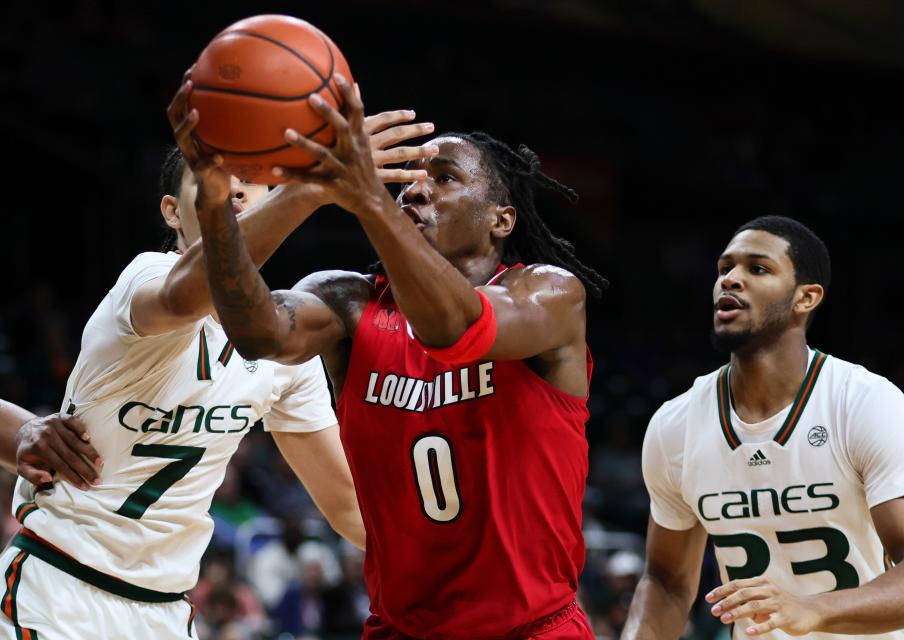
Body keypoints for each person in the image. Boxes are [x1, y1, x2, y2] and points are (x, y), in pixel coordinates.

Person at [0, 74, 436, 640]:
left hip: (165, 611)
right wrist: (311, 186)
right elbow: (195, 285)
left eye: (251, 179)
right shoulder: (146, 281)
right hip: (61, 587)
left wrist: (459, 563)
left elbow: (352, 508)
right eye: (209, 180)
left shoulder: (286, 347)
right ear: (173, 213)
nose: (232, 187)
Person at [197, 74, 609, 638]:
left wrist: (367, 198)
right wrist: (224, 208)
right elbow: (255, 333)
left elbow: (454, 329)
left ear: (501, 220)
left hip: (532, 629)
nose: (413, 190)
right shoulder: (348, 302)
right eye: (406, 179)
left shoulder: (549, 294)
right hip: (399, 628)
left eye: (444, 179)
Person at [621, 216, 904, 639]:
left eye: (757, 269)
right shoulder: (675, 426)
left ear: (806, 298)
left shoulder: (864, 402)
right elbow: (666, 582)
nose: (731, 280)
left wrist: (812, 609)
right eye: (725, 268)